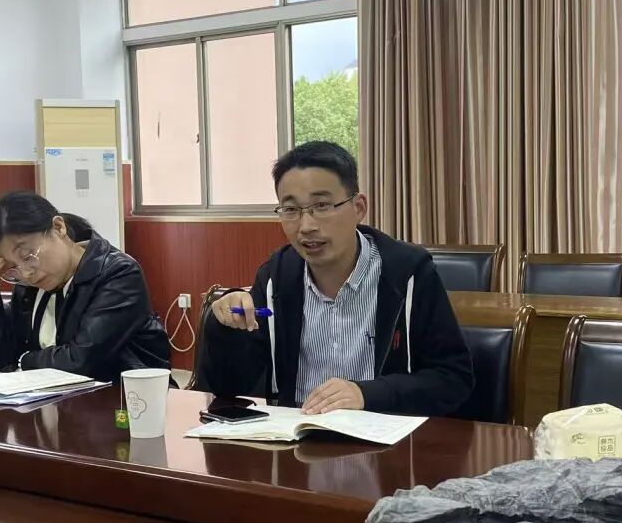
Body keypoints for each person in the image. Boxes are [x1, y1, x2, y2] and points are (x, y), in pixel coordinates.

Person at [203, 141, 473, 416]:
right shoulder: (276, 276)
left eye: (321, 205)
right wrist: (225, 330)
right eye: (291, 209)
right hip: (294, 435)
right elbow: (230, 386)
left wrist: (367, 394)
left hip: (381, 434)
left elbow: (453, 379)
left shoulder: (408, 272)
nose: (306, 226)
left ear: (358, 207)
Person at [0, 191, 170, 383]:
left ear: (58, 227)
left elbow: (80, 361)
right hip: (48, 404)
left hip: (124, 401)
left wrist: (23, 361)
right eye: (12, 268)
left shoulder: (118, 273)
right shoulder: (28, 285)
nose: (26, 273)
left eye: (27, 256)